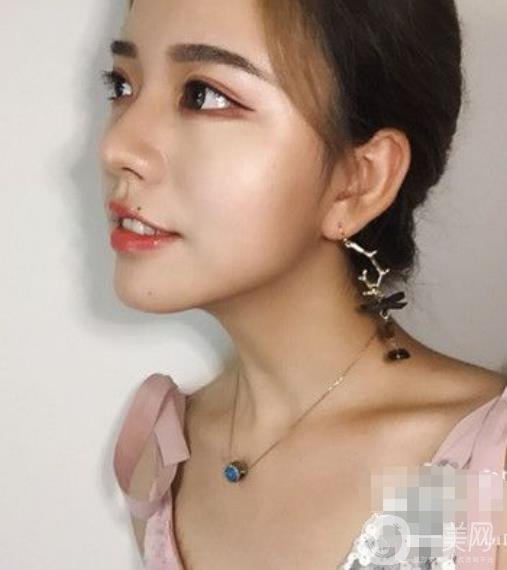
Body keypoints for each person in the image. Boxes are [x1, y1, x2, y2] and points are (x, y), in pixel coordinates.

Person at [99, 0, 507, 568]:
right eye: (121, 85)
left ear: (359, 181)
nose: (116, 148)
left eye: (204, 95)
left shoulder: (486, 473)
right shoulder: (162, 455)